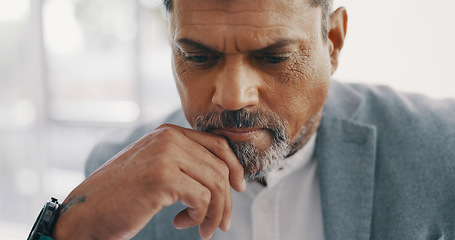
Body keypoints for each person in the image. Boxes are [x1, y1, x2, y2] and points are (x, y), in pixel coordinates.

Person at [33, 0, 455, 239]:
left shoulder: (442, 151)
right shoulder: (110, 177)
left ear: (333, 43)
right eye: (198, 56)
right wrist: (69, 233)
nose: (233, 96)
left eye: (273, 57)